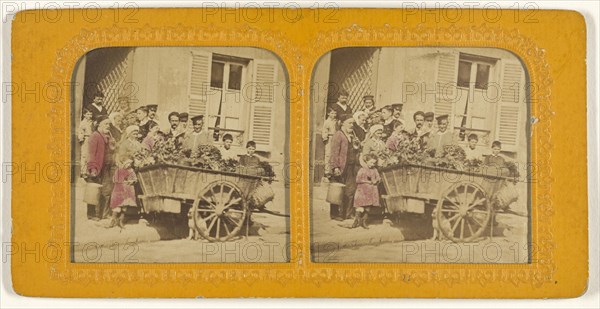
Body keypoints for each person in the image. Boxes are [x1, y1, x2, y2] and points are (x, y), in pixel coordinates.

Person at [107, 126, 142, 229]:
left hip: (132, 171)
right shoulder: (124, 144)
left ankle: (121, 220)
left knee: (128, 197)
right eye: (133, 133)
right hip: (123, 171)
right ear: (129, 134)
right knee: (119, 196)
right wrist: (128, 161)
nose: (135, 135)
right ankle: (113, 219)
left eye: (136, 133)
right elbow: (121, 156)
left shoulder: (138, 144)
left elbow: (141, 154)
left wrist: (138, 161)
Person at [329, 114, 360, 221]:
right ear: (342, 123)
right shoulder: (338, 134)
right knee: (337, 190)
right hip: (341, 167)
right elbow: (334, 152)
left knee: (350, 191)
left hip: (351, 167)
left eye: (353, 123)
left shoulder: (352, 136)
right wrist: (335, 167)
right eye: (350, 123)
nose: (352, 125)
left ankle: (347, 213)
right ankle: (335, 214)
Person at [86, 115, 117, 221]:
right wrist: (92, 168)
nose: (108, 126)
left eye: (109, 124)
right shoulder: (95, 136)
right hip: (97, 167)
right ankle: (92, 214)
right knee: (94, 191)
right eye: (106, 123)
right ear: (99, 124)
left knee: (107, 191)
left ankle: (104, 214)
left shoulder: (108, 136)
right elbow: (91, 154)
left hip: (107, 168)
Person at [352, 153, 381, 229]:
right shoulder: (362, 170)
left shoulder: (375, 170)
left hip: (371, 191)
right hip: (362, 190)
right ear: (366, 161)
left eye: (374, 163)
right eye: (371, 162)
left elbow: (378, 178)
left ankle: (364, 221)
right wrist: (367, 182)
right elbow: (358, 180)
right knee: (360, 205)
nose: (372, 164)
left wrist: (376, 180)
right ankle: (357, 220)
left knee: (368, 207)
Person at [321, 108, 338, 178]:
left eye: (335, 113)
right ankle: (327, 171)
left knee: (334, 154)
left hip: (336, 138)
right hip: (330, 138)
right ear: (328, 114)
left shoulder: (336, 121)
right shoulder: (327, 122)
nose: (334, 115)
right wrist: (325, 137)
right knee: (328, 154)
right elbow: (325, 130)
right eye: (332, 113)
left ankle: (333, 170)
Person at [78, 108, 94, 178]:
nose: (90, 116)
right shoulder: (83, 123)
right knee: (84, 155)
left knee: (90, 155)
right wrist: (81, 138)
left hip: (92, 139)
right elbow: (81, 131)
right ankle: (83, 171)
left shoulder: (92, 122)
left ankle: (88, 171)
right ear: (84, 115)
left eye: (91, 114)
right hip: (86, 139)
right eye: (88, 114)